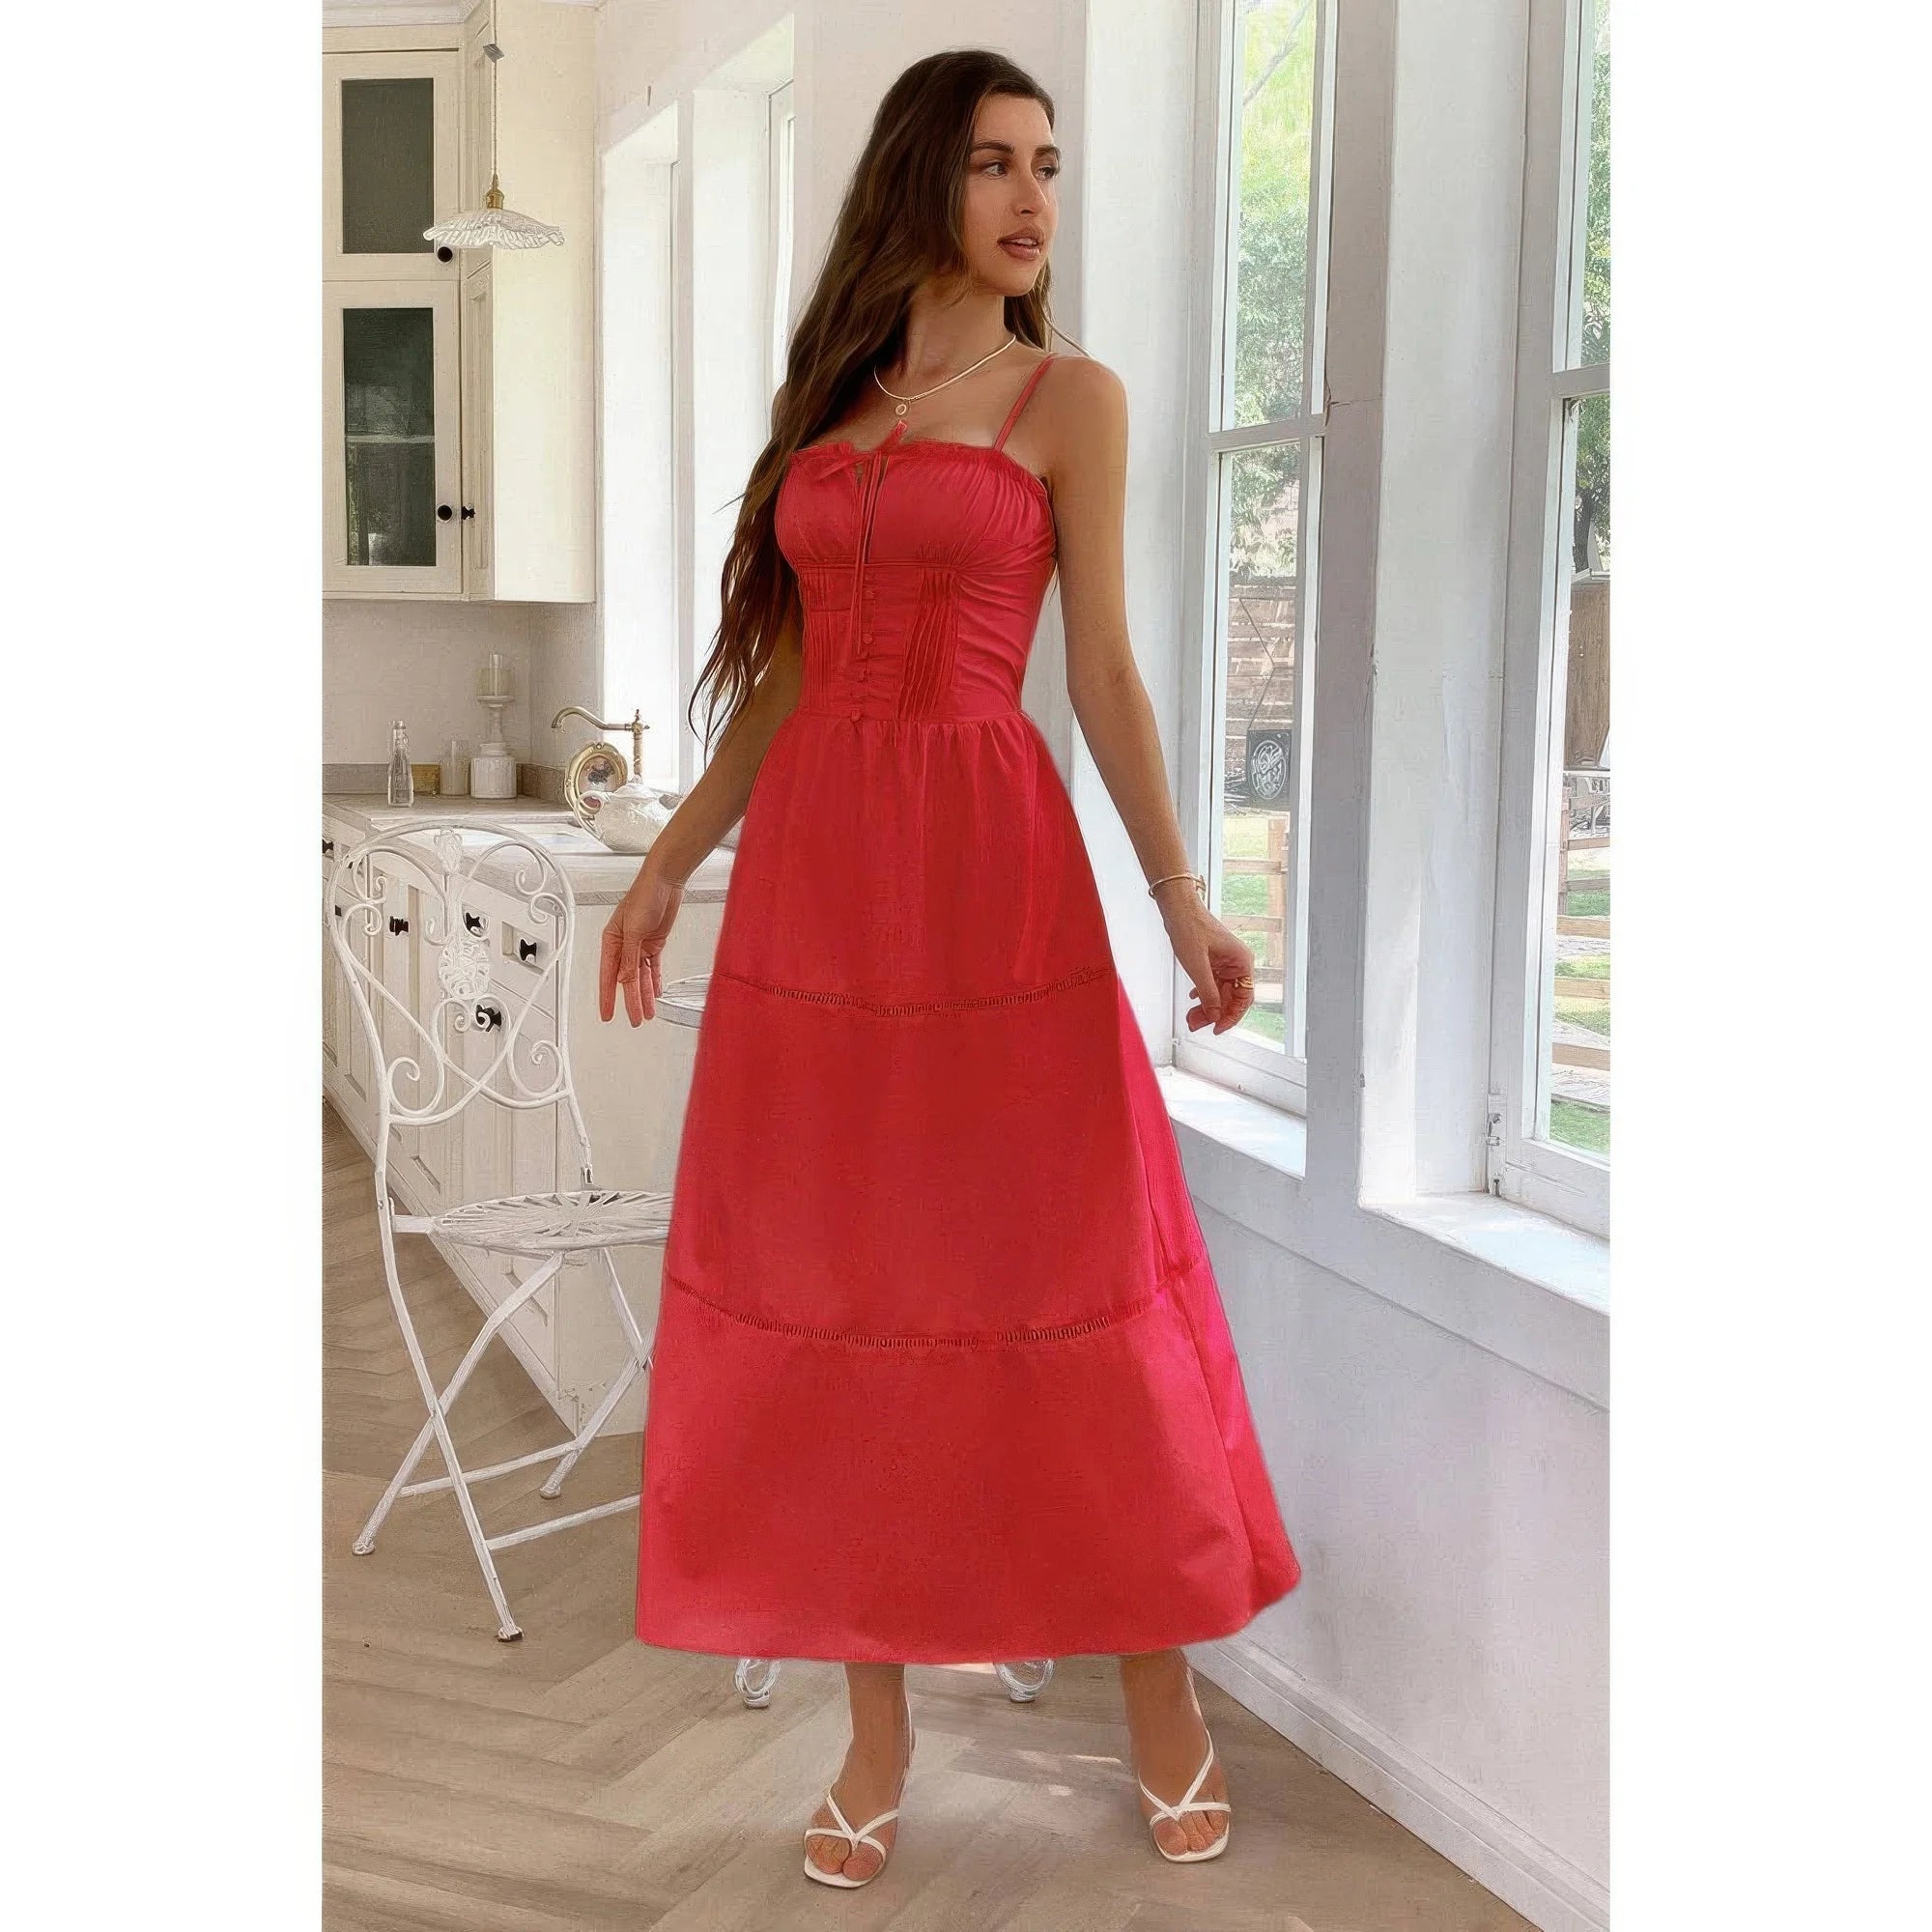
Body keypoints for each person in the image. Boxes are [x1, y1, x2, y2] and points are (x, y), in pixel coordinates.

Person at [598, 47, 1301, 1889]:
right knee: (843, 1293)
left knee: (1067, 1274)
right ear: (921, 178)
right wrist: (668, 866)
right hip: (820, 898)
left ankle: (1162, 1696)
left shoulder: (1071, 397)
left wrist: (1182, 896)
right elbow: (788, 680)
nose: (1032, 198)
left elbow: (1106, 670)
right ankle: (876, 1735)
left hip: (992, 880)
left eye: (1047, 165)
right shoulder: (832, 403)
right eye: (995, 163)